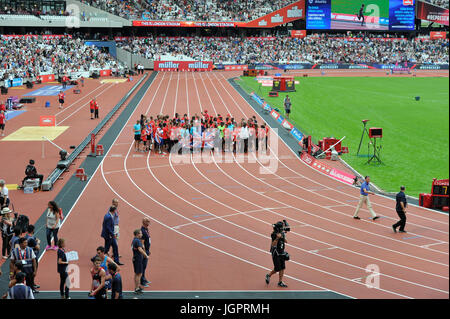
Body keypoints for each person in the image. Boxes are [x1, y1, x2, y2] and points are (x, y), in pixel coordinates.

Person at [265, 221, 288, 288]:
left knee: (283, 267)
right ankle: (268, 275)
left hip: (281, 251)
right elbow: (273, 244)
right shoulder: (274, 234)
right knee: (277, 268)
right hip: (276, 253)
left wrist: (283, 237)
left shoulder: (282, 233)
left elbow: (286, 241)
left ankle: (280, 282)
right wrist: (277, 238)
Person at [132, 229, 148, 294]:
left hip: (135, 258)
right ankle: (137, 288)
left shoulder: (134, 240)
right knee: (139, 274)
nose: (142, 234)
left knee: (137, 273)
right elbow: (140, 249)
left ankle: (137, 287)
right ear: (137, 234)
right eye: (140, 233)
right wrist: (146, 255)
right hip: (138, 259)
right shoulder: (137, 241)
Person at [140, 218, 151, 287]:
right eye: (148, 221)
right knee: (143, 266)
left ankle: (144, 278)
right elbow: (142, 243)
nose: (149, 222)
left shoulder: (146, 229)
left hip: (147, 250)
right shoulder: (143, 231)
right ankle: (142, 281)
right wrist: (144, 252)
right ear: (144, 222)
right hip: (144, 251)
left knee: (145, 266)